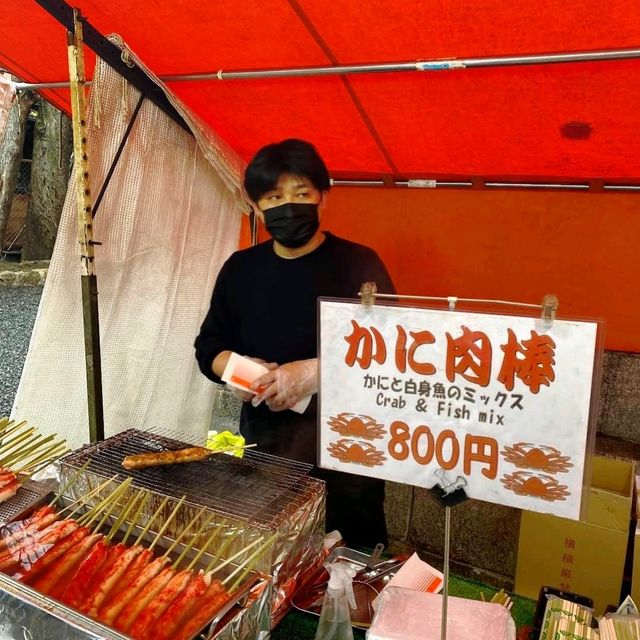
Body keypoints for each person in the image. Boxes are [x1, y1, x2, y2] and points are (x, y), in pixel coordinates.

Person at [195, 139, 395, 548]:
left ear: (324, 197)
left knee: (348, 570)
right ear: (256, 206)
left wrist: (313, 373)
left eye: (302, 194)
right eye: (274, 196)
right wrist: (239, 371)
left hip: (348, 456)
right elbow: (209, 346)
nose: (288, 206)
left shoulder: (360, 265)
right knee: (273, 559)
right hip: (266, 450)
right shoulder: (240, 271)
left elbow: (389, 351)